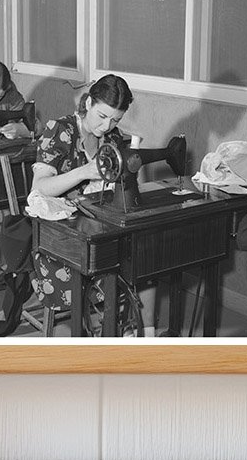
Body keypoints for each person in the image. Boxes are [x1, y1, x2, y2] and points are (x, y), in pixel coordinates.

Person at [30, 73, 157, 337]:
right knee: (106, 269)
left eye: (116, 120)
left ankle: (147, 337)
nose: (106, 126)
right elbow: (40, 187)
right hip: (59, 238)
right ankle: (105, 336)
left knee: (146, 260)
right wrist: (83, 172)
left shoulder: (112, 138)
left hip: (97, 225)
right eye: (102, 116)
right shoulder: (60, 130)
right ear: (88, 102)